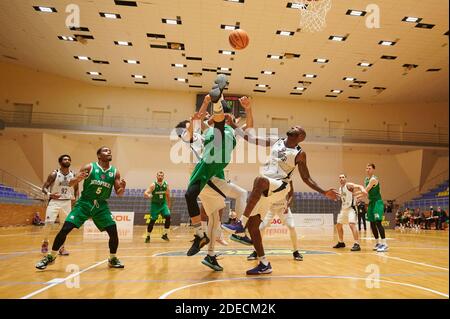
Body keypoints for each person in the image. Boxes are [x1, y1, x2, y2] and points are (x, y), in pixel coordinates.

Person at [222, 125, 339, 275]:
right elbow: (251, 139)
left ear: (300, 137)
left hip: (281, 186)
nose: (293, 126)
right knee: (254, 226)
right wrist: (233, 125)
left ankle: (240, 224)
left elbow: (306, 178)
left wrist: (324, 192)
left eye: (297, 128)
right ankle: (264, 263)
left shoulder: (299, 153)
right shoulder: (277, 141)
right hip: (267, 189)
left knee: (259, 180)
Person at [35, 146, 127, 270]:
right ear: (99, 155)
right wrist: (78, 178)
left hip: (101, 205)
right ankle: (51, 256)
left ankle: (112, 258)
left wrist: (122, 187)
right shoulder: (89, 167)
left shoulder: (115, 172)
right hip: (84, 203)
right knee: (65, 228)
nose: (109, 152)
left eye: (110, 151)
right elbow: (71, 183)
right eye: (105, 151)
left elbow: (119, 193)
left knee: (113, 232)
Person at [247, 181, 303, 261]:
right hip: (270, 207)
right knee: (261, 228)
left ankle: (296, 251)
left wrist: (288, 204)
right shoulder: (268, 179)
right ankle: (256, 251)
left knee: (292, 226)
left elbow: (291, 194)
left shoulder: (288, 179)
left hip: (283, 207)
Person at [40, 154, 79, 255]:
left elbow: (76, 188)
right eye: (65, 159)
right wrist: (49, 194)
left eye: (69, 159)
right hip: (54, 202)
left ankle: (62, 247)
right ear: (60, 162)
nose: (67, 160)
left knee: (65, 227)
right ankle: (45, 242)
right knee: (48, 224)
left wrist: (75, 198)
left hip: (66, 202)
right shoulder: (54, 174)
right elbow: (44, 187)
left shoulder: (73, 175)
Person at [332, 174, 367, 251]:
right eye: (340, 177)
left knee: (351, 224)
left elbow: (359, 186)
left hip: (351, 208)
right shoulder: (340, 188)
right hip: (344, 209)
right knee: (338, 225)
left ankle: (357, 244)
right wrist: (337, 197)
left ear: (346, 179)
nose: (341, 178)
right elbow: (344, 197)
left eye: (343, 177)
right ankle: (341, 242)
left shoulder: (348, 185)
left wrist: (363, 190)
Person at [364, 163, 388, 252]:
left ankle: (385, 244)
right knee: (372, 223)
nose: (367, 170)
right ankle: (378, 242)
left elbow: (366, 190)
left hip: (377, 202)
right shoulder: (366, 179)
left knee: (378, 222)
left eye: (369, 168)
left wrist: (356, 194)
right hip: (371, 202)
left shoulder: (373, 179)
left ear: (373, 169)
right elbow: (365, 192)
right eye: (366, 168)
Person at [144, 171, 171, 242]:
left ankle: (164, 235)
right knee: (152, 221)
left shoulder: (166, 184)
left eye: (162, 176)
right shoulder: (153, 185)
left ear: (163, 177)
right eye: (159, 175)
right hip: (155, 205)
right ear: (157, 176)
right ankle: (148, 236)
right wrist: (148, 195)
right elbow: (145, 193)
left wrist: (168, 205)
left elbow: (168, 195)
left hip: (163, 204)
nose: (160, 177)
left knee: (168, 216)